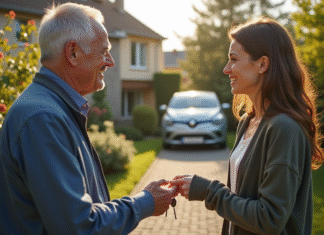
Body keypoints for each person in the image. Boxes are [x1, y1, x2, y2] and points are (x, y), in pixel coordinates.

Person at [0, 3, 177, 234]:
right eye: (104, 51)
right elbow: (80, 226)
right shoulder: (43, 118)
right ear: (72, 53)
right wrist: (144, 203)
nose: (110, 62)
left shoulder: (52, 108)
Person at [171, 17, 324, 235]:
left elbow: (269, 218)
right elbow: (240, 199)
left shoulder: (284, 128)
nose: (226, 69)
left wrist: (208, 191)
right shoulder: (247, 122)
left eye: (233, 59)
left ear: (262, 64)